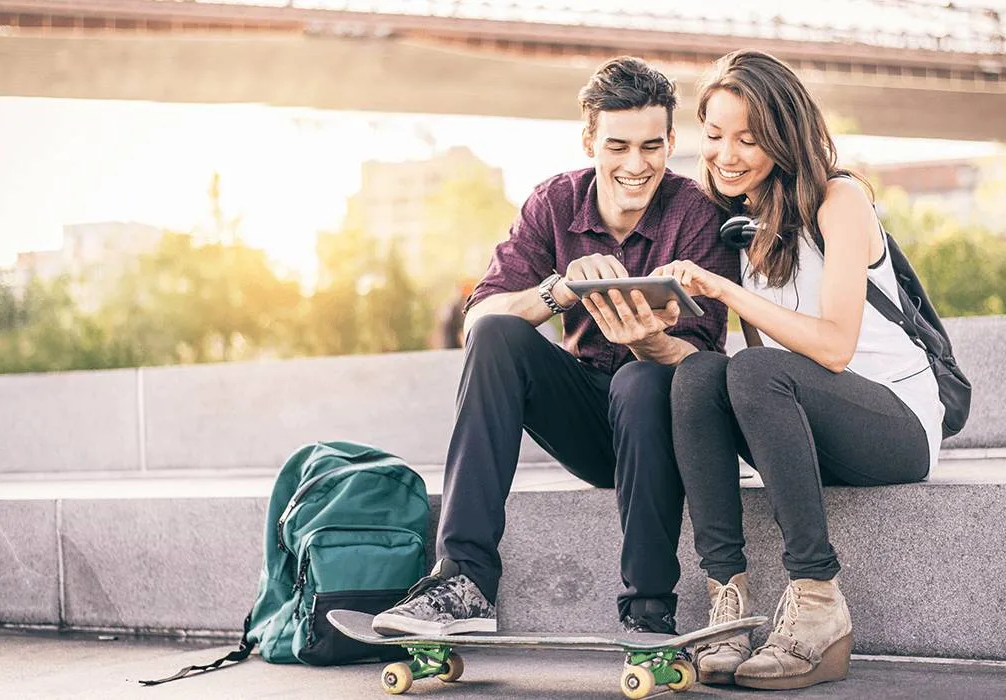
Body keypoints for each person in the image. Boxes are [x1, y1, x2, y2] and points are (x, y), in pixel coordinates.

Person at [371, 56, 738, 638]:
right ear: (589, 138)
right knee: (499, 333)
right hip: (588, 419)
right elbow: (480, 319)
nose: (636, 165)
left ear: (671, 142)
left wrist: (649, 342)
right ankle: (463, 583)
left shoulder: (697, 211)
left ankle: (649, 608)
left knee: (641, 380)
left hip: (664, 428)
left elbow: (706, 375)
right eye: (617, 146)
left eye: (652, 146)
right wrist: (559, 289)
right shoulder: (555, 202)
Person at [655, 50, 943, 690]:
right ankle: (726, 599)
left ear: (783, 136)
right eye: (715, 135)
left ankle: (817, 603)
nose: (726, 154)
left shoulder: (840, 200)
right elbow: (758, 376)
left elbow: (835, 348)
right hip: (813, 427)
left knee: (754, 369)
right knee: (700, 374)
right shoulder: (742, 223)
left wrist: (725, 292)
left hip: (895, 424)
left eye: (748, 139)